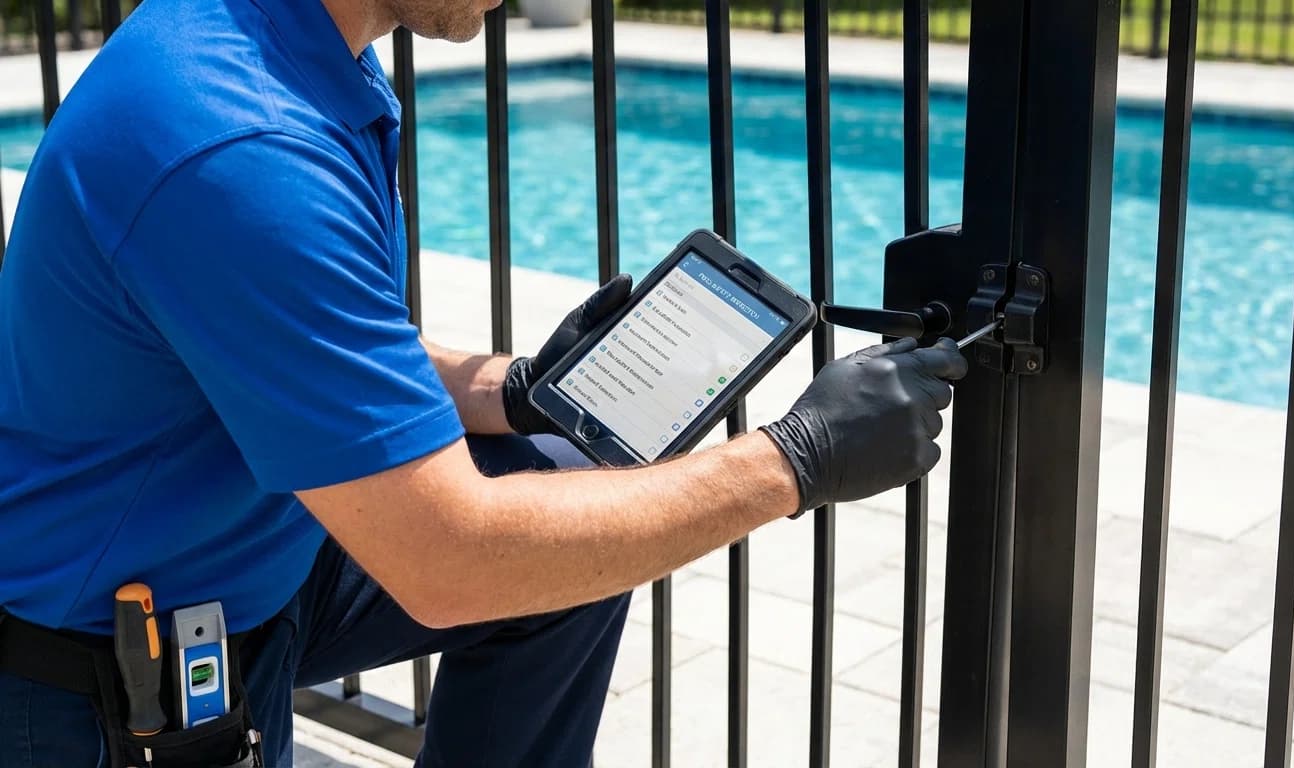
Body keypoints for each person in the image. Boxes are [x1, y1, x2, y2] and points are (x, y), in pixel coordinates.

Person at [0, 0, 966, 764]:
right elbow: (448, 560)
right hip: (108, 682)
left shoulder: (291, 46)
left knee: (558, 496)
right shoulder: (247, 147)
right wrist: (792, 461)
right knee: (519, 546)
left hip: (246, 557)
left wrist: (519, 387)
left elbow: (312, 350)